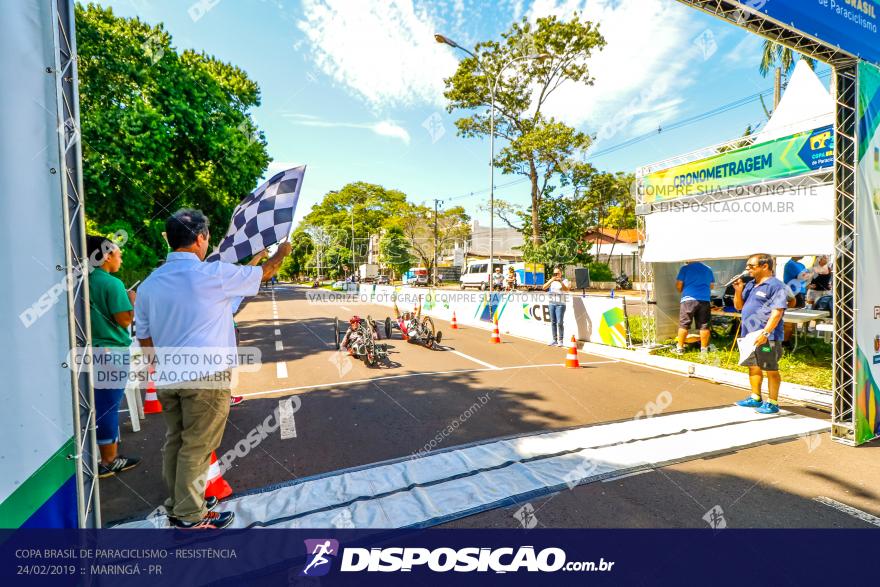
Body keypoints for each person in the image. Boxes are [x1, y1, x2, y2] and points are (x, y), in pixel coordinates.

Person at [135, 209, 290, 529]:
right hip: (206, 378)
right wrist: (281, 252)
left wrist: (158, 368)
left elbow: (144, 336)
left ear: (169, 238)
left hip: (167, 377)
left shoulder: (151, 283)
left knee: (176, 442)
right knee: (197, 446)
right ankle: (190, 517)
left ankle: (180, 502)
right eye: (207, 237)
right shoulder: (212, 275)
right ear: (200, 238)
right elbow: (267, 273)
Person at [86, 235, 142, 478]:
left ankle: (104, 453)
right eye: (117, 254)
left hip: (90, 350)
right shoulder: (112, 284)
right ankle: (109, 459)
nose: (120, 258)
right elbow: (125, 320)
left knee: (96, 405)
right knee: (108, 407)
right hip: (112, 352)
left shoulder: (81, 281)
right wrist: (132, 302)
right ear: (106, 256)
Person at [733, 253, 789, 415]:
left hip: (767, 336)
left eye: (751, 266)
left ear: (765, 266)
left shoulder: (776, 285)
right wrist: (738, 290)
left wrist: (766, 332)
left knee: (770, 368)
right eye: (747, 266)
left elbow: (777, 312)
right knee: (753, 367)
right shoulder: (750, 285)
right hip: (749, 335)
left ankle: (772, 402)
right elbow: (739, 307)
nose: (747, 269)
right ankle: (755, 397)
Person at [673, 260, 715, 356]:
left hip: (688, 300)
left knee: (684, 324)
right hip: (704, 300)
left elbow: (679, 285)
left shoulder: (685, 268)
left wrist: (684, 290)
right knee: (704, 326)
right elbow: (711, 286)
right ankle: (704, 350)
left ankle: (680, 348)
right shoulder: (708, 269)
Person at [542, 267, 570, 346]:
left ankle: (561, 340)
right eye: (555, 273)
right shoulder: (552, 281)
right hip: (552, 303)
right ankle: (554, 339)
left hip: (561, 304)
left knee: (560, 322)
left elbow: (566, 289)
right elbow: (544, 287)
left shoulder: (565, 280)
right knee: (553, 322)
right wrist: (551, 280)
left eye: (558, 273)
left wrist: (560, 281)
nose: (556, 275)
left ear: (561, 273)